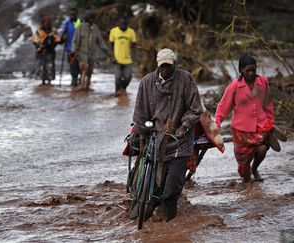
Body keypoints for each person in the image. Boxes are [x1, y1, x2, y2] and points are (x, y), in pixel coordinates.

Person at [131, 48, 203, 222]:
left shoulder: (186, 80)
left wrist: (183, 127)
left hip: (180, 141)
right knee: (146, 182)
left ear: (174, 65)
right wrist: (141, 132)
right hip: (156, 139)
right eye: (162, 66)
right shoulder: (147, 82)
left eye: (168, 66)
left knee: (171, 192)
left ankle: (171, 225)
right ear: (157, 65)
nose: (165, 69)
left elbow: (195, 109)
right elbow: (140, 112)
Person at [215, 54, 274, 183]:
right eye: (248, 70)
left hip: (261, 126)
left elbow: (267, 103)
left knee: (263, 149)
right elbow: (223, 105)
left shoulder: (263, 82)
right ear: (241, 70)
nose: (251, 73)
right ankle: (247, 186)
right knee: (244, 163)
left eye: (254, 70)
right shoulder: (235, 85)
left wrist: (270, 121)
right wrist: (217, 124)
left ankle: (255, 169)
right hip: (241, 130)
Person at [71, 10, 111, 91]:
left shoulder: (95, 28)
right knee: (84, 70)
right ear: (88, 18)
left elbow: (101, 42)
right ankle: (82, 87)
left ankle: (87, 87)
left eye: (93, 18)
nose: (92, 20)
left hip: (92, 55)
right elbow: (75, 41)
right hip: (82, 55)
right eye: (91, 18)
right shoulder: (80, 27)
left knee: (89, 72)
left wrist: (108, 52)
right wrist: (74, 52)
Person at [109, 16, 137, 96]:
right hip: (116, 60)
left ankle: (123, 90)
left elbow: (134, 45)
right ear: (118, 24)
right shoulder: (113, 31)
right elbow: (111, 45)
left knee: (128, 77)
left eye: (125, 24)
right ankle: (118, 94)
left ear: (127, 24)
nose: (123, 25)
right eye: (121, 24)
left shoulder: (131, 32)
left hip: (127, 60)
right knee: (118, 77)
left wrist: (136, 55)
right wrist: (112, 56)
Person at [31, 16, 61, 85]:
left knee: (50, 66)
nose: (47, 26)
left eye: (48, 24)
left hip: (50, 52)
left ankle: (49, 81)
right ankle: (43, 81)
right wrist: (40, 46)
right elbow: (34, 40)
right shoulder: (38, 32)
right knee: (41, 67)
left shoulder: (53, 32)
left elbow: (58, 40)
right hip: (41, 52)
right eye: (46, 24)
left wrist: (52, 42)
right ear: (43, 24)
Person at [60, 8, 82, 87]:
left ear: (77, 14)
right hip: (70, 49)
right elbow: (61, 37)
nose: (72, 16)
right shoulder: (67, 24)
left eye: (74, 14)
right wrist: (63, 37)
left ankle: (81, 80)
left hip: (80, 49)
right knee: (73, 66)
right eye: (71, 14)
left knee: (81, 67)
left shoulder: (81, 22)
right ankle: (74, 81)